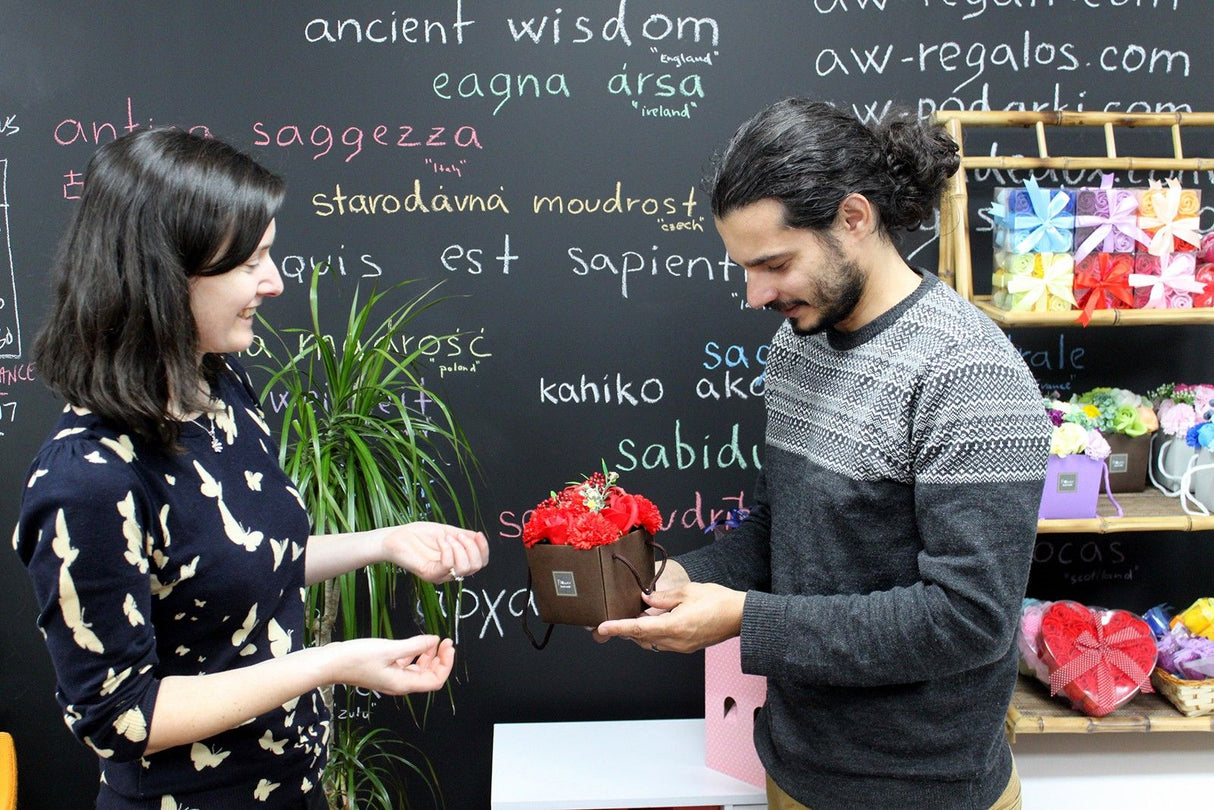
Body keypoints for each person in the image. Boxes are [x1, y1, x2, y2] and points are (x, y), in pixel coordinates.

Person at [12, 128, 489, 809]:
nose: (274, 282)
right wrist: (330, 663)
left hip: (293, 789)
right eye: (249, 264)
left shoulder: (221, 388)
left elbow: (238, 561)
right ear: (163, 276)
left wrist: (385, 543)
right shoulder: (87, 479)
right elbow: (121, 717)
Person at [596, 99, 1050, 810]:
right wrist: (679, 575)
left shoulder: (969, 374)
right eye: (745, 268)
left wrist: (745, 619)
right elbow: (786, 531)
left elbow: (968, 620)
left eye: (774, 263)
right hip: (791, 765)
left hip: (922, 791)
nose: (755, 295)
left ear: (854, 220)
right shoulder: (795, 348)